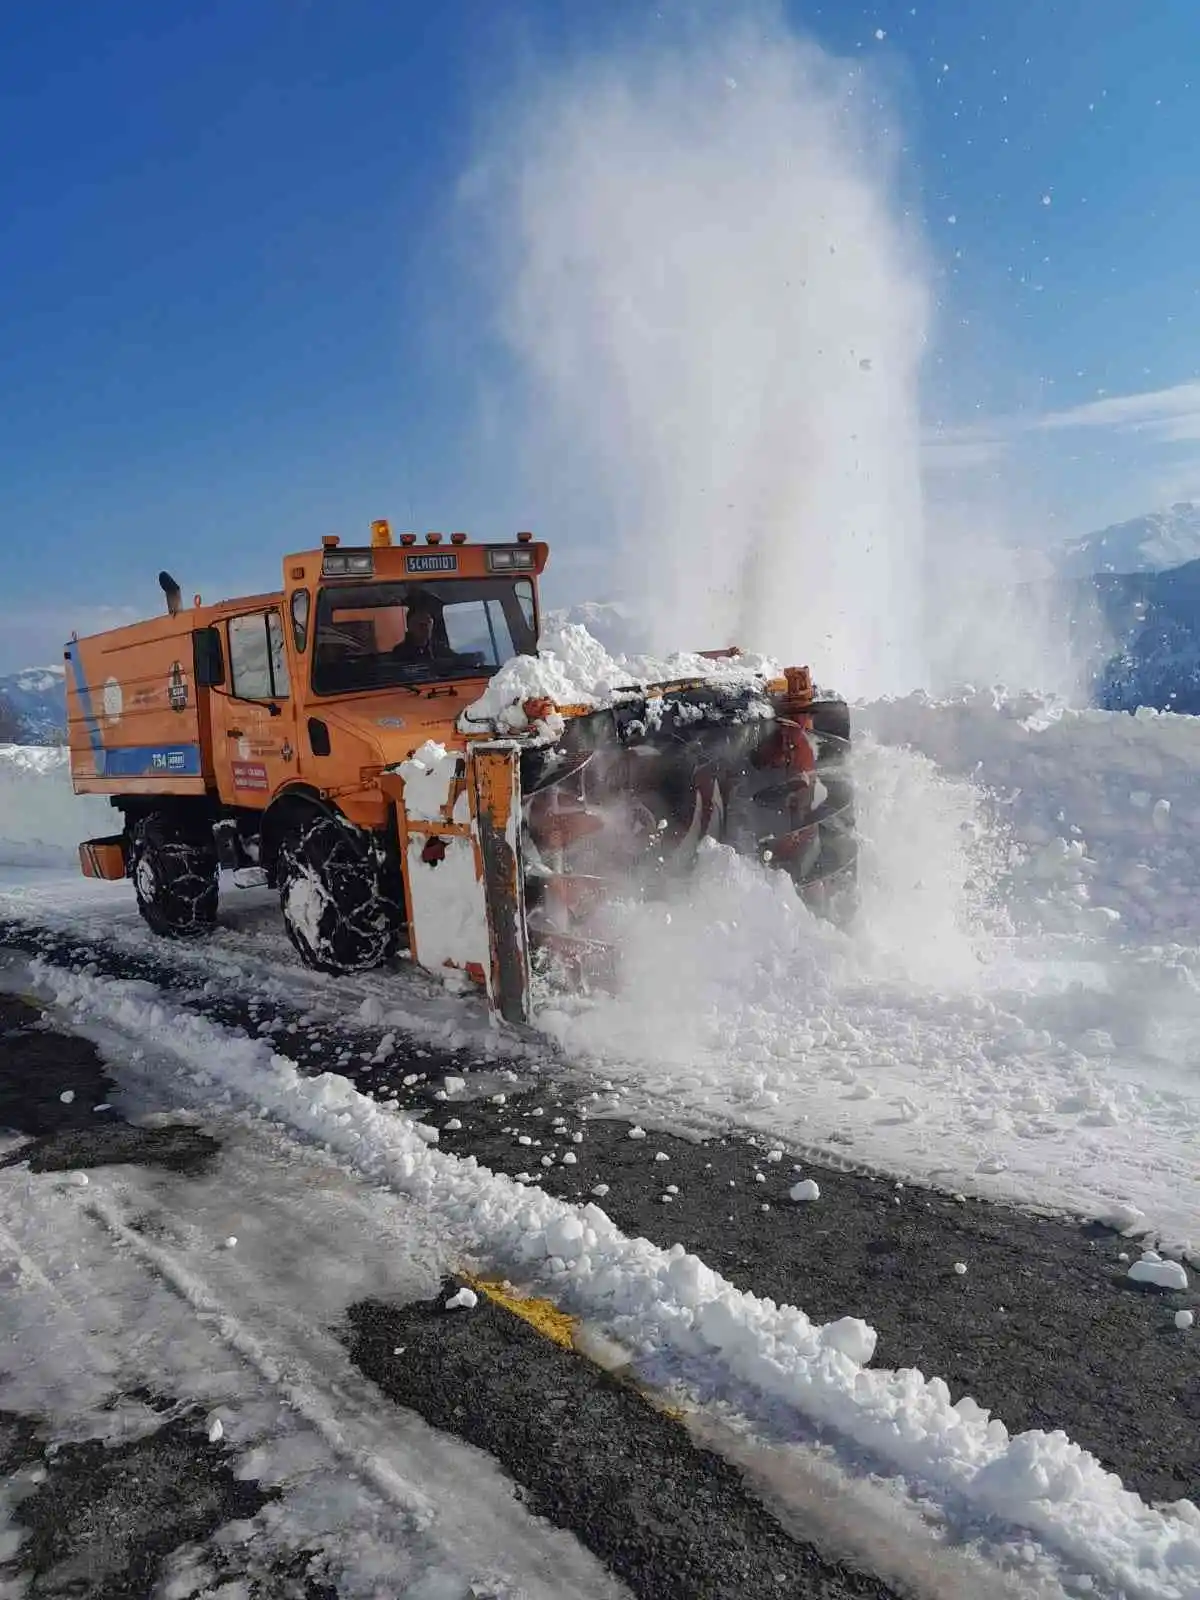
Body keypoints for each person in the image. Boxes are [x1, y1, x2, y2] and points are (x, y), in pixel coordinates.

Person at [391, 595, 441, 664]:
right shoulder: (400, 652)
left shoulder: (440, 648)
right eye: (419, 623)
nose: (425, 627)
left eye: (428, 621)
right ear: (409, 626)